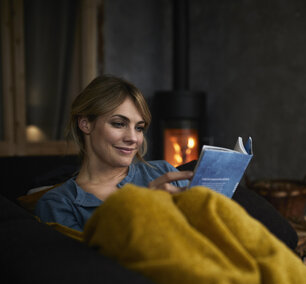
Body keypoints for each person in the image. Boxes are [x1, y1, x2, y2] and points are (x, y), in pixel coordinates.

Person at [35, 74, 193, 231]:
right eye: (118, 124)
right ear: (85, 124)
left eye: (139, 128)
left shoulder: (163, 172)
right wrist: (145, 210)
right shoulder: (58, 203)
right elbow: (86, 256)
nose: (133, 138)